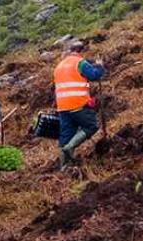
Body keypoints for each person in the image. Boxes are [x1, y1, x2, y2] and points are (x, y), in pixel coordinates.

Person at [53, 40, 105, 170]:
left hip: (62, 107)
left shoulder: (59, 66)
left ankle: (64, 166)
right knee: (91, 126)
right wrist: (99, 66)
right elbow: (94, 75)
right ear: (79, 51)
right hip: (78, 104)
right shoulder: (79, 62)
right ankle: (70, 148)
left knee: (65, 135)